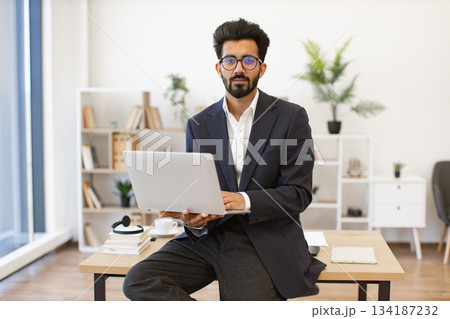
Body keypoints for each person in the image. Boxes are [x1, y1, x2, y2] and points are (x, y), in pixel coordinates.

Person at [123, 18, 325, 301]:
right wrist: (191, 219)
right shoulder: (199, 124)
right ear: (219, 68)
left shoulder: (291, 117)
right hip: (210, 236)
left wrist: (242, 200)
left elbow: (298, 194)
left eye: (248, 61)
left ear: (261, 68)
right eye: (230, 60)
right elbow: (198, 189)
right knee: (139, 281)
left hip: (261, 239)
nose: (239, 68)